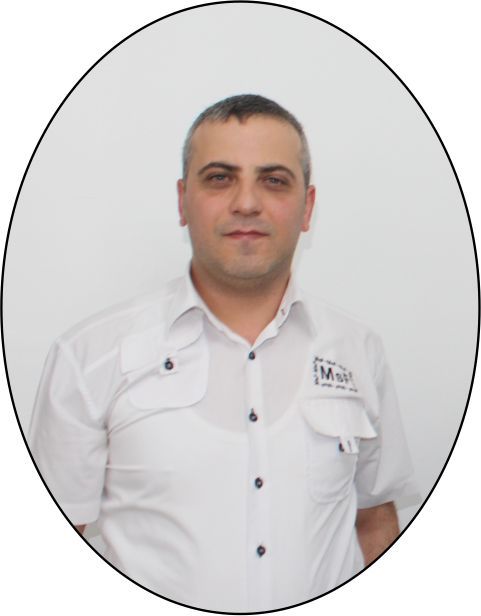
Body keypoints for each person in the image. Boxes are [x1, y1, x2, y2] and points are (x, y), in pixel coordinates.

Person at [29, 94, 417, 612]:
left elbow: (374, 518)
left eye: (273, 180)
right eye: (219, 178)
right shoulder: (89, 358)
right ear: (182, 200)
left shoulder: (358, 350)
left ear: (307, 208)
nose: (247, 203)